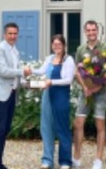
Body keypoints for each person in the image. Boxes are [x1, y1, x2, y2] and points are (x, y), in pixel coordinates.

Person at [73, 20, 106, 169]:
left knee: (100, 124)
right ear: (85, 32)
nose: (91, 33)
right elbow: (77, 70)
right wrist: (85, 86)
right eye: (88, 30)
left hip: (101, 92)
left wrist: (98, 85)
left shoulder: (105, 48)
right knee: (78, 123)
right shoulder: (80, 49)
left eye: (93, 30)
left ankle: (98, 159)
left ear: (97, 31)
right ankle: (76, 157)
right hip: (85, 92)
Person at [30, 35, 76, 169]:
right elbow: (41, 71)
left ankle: (65, 161)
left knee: (62, 128)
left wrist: (51, 82)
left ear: (64, 45)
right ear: (51, 45)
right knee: (46, 128)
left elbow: (68, 80)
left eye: (59, 44)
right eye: (54, 44)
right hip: (47, 95)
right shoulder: (49, 58)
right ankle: (47, 160)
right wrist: (29, 70)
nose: (57, 47)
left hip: (61, 95)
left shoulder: (68, 60)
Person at [0, 22, 23, 169]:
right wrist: (23, 72)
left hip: (11, 94)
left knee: (5, 129)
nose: (13, 36)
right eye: (10, 33)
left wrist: (28, 82)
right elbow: (3, 71)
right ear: (4, 34)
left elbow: (15, 73)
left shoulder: (15, 51)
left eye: (15, 34)